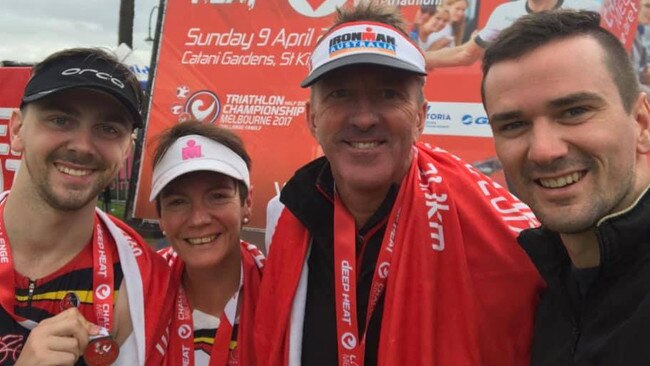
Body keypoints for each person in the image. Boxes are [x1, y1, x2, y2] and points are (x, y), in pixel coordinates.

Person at [255, 2, 544, 366]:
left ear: (421, 117)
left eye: (389, 94)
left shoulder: (497, 229)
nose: (363, 118)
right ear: (312, 118)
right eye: (339, 94)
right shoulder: (286, 215)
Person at [482, 10, 650, 365]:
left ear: (641, 123)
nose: (544, 150)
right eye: (513, 125)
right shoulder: (543, 281)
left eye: (574, 112)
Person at [1, 48, 173, 365]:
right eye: (60, 119)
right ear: (16, 130)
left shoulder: (143, 276)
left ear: (126, 152)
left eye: (108, 129)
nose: (82, 145)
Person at [149, 121, 264, 365]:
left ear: (247, 203)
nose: (199, 219)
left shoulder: (285, 295)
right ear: (160, 216)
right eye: (178, 202)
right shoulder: (135, 293)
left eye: (218, 196)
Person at [424, 0, 600, 69]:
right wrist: (412, 58)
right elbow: (465, 54)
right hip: (526, 101)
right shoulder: (504, 13)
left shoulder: (588, 7)